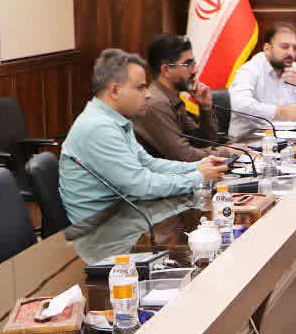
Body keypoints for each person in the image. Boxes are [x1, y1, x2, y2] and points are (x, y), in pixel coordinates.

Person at [60, 49, 229, 263]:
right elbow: (141, 185)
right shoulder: (98, 127)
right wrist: (198, 177)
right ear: (114, 90)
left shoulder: (115, 119)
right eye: (140, 87)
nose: (148, 94)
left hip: (127, 221)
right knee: (194, 254)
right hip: (104, 238)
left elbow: (148, 164)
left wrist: (197, 166)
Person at [228, 22, 296, 141]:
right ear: (267, 48)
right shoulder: (250, 70)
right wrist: (279, 112)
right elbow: (239, 105)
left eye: (294, 48)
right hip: (248, 142)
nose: (291, 53)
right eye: (284, 47)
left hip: (288, 141)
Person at [134, 34, 222, 162]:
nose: (195, 70)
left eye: (193, 63)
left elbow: (202, 143)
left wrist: (205, 108)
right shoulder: (157, 103)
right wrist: (226, 152)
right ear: (166, 70)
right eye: (188, 64)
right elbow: (184, 156)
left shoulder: (172, 98)